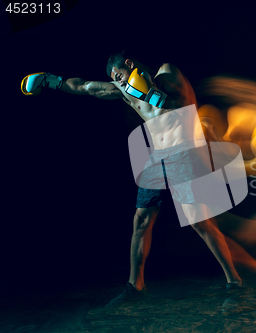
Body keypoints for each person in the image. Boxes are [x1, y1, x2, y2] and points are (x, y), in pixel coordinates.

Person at [21, 50, 243, 310]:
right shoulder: (124, 88)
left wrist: (146, 91)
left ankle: (234, 281)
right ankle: (135, 286)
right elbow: (85, 87)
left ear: (128, 64)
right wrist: (51, 80)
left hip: (184, 154)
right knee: (141, 220)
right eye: (115, 80)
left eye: (119, 76)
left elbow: (180, 105)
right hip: (156, 159)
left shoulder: (167, 71)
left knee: (200, 222)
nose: (119, 82)